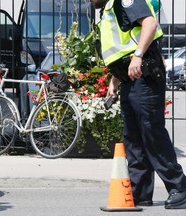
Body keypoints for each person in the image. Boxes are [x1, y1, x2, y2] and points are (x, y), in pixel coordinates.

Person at [90, 0, 186, 209]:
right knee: (132, 136)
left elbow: (150, 24)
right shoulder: (108, 9)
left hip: (144, 73)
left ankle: (180, 187)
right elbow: (122, 48)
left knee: (151, 131)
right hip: (129, 77)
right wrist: (114, 80)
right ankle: (140, 192)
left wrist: (138, 55)